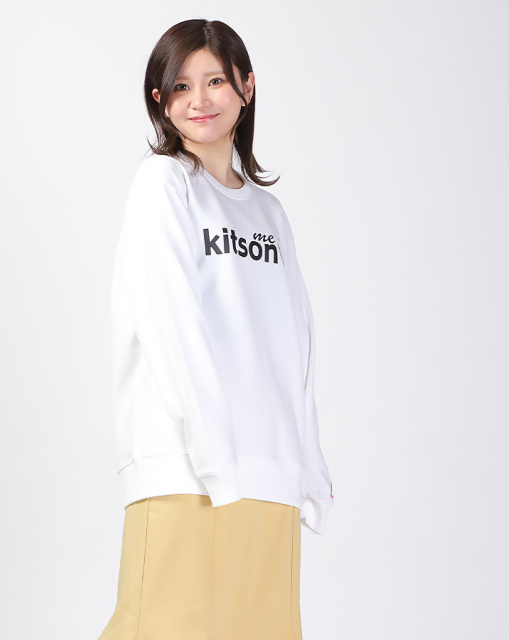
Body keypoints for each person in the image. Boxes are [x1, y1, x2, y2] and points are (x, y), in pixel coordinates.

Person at [98, 18, 334, 640]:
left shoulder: (269, 213)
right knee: (161, 627)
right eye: (180, 86)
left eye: (215, 82)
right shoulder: (163, 185)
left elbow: (294, 342)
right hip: (186, 468)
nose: (199, 100)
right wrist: (213, 457)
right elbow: (170, 322)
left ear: (246, 87)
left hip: (269, 471)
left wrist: (307, 463)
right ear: (160, 100)